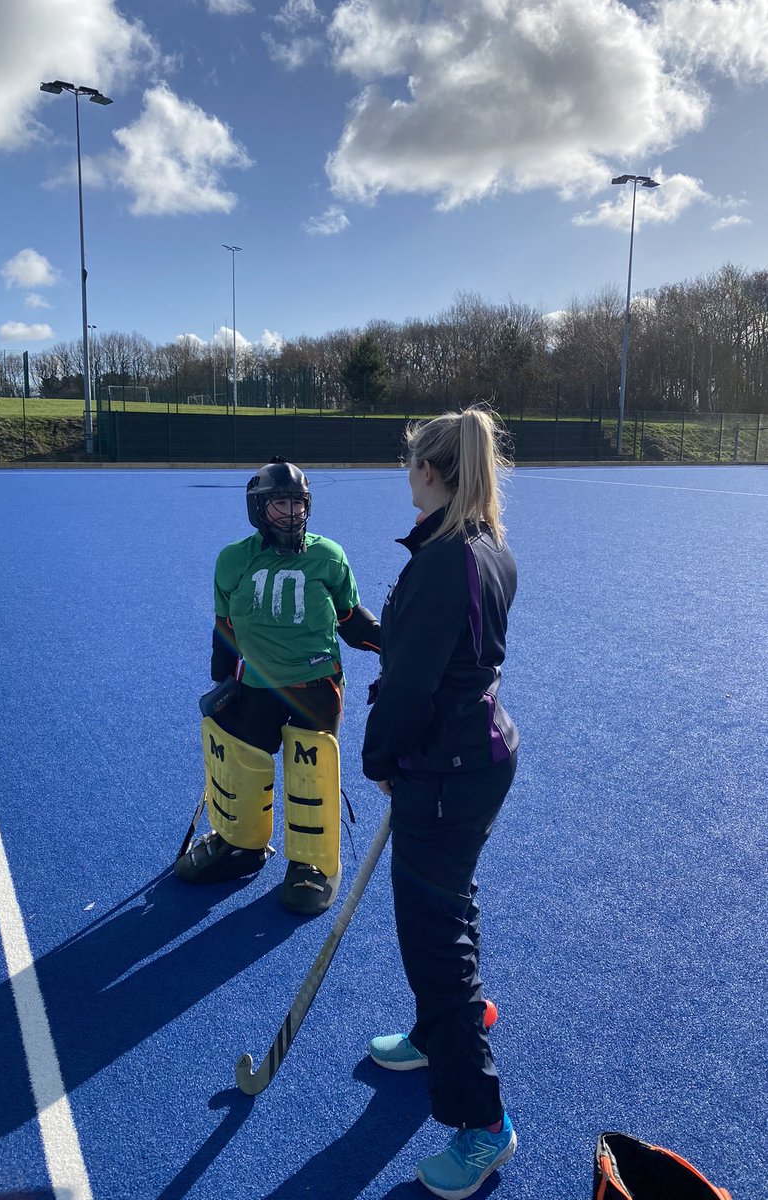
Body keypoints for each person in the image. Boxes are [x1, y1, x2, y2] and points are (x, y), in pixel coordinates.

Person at [361, 408, 520, 1199]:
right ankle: (437, 1031)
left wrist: (380, 758)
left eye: (410, 466)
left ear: (428, 472)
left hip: (445, 771)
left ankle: (483, 1123)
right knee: (451, 902)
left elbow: (413, 686)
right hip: (482, 758)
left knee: (434, 944)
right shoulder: (491, 548)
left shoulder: (441, 561)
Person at [176, 457, 380, 916]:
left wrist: (392, 644)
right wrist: (222, 681)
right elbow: (224, 628)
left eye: (297, 503)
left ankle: (313, 862)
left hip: (315, 684)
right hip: (253, 686)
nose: (291, 513)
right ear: (258, 509)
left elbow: (350, 619)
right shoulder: (233, 560)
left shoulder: (329, 555)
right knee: (237, 762)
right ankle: (239, 844)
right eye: (279, 505)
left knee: (311, 770)